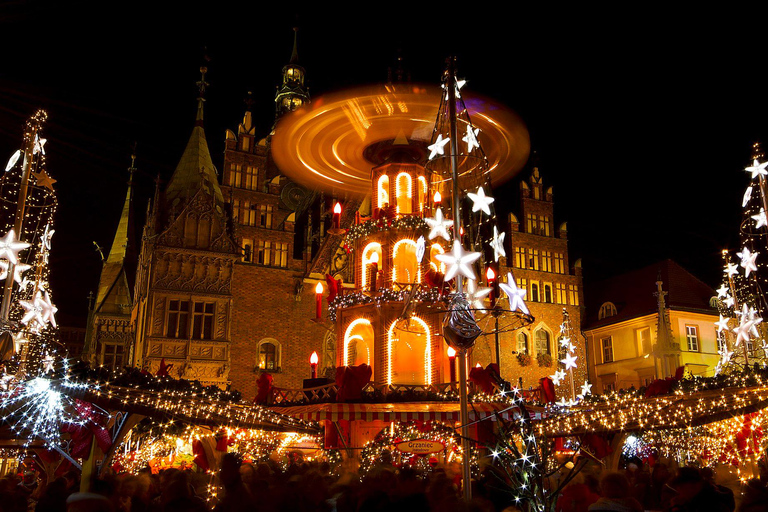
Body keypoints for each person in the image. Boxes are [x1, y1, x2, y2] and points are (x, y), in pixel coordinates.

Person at [668, 467, 734, 512]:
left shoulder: (709, 505)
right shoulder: (696, 501)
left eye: (681, 487)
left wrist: (676, 508)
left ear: (693, 485)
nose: (678, 491)